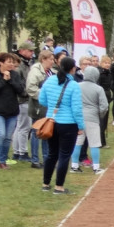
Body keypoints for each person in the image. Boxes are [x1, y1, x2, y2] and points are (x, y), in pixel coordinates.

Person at [38, 56, 84, 195]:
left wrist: (52, 107)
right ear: (72, 68)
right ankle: (59, 186)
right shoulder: (73, 85)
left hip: (52, 121)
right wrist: (81, 126)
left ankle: (46, 184)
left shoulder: (49, 80)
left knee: (52, 154)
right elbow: (76, 109)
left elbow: (42, 100)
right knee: (64, 155)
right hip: (68, 124)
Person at [0, 52, 26, 171]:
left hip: (12, 110)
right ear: (1, 63)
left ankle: (3, 161)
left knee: (8, 137)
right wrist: (3, 80)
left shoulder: (14, 74)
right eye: (9, 62)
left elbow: (21, 90)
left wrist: (10, 81)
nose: (11, 64)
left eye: (12, 62)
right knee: (0, 134)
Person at [70, 63, 109, 174]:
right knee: (94, 143)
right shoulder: (98, 89)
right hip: (92, 118)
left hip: (79, 118)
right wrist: (100, 115)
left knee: (77, 142)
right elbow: (104, 106)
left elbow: (73, 101)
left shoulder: (77, 85)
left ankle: (74, 165)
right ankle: (96, 167)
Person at [26, 49, 55, 169]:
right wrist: (44, 96)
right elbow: (30, 88)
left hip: (48, 107)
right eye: (51, 59)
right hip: (37, 107)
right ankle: (35, 160)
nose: (53, 62)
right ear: (43, 59)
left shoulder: (51, 72)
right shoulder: (35, 71)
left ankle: (46, 158)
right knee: (36, 133)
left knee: (46, 132)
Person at [11, 40, 36, 163]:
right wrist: (27, 93)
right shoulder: (20, 65)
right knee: (24, 127)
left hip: (23, 99)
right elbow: (19, 83)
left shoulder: (26, 63)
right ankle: (22, 152)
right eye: (30, 50)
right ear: (22, 51)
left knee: (20, 126)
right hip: (22, 99)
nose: (32, 53)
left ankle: (17, 152)